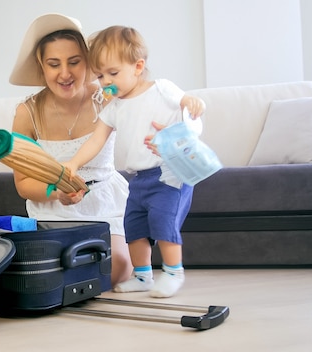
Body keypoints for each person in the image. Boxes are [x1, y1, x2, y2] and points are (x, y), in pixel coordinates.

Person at [64, 26, 206, 298]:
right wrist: (73, 163)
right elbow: (95, 141)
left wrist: (191, 103)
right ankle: (143, 276)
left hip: (168, 174)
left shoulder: (162, 89)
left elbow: (189, 109)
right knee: (134, 227)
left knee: (164, 223)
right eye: (100, 75)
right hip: (139, 180)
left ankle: (174, 272)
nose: (106, 81)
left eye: (113, 73)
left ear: (138, 66)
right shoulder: (114, 108)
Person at [9, 14, 133, 287]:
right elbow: (23, 183)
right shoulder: (26, 113)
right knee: (55, 275)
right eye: (54, 64)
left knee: (119, 269)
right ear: (42, 67)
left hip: (105, 200)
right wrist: (57, 192)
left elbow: (142, 90)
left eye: (74, 62)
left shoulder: (106, 98)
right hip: (53, 207)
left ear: (87, 62)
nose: (64, 73)